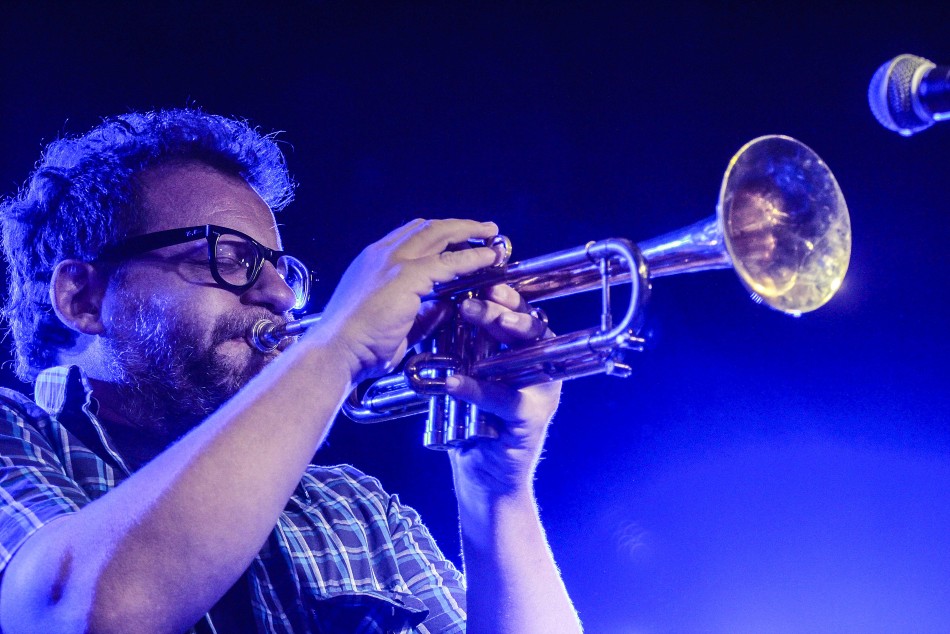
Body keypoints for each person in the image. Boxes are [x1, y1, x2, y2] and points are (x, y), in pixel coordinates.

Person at [0, 109, 581, 633]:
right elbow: (83, 615)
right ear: (83, 298)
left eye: (282, 269)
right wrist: (337, 345)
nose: (281, 294)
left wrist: (496, 490)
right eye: (229, 256)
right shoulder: (13, 439)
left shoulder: (352, 508)